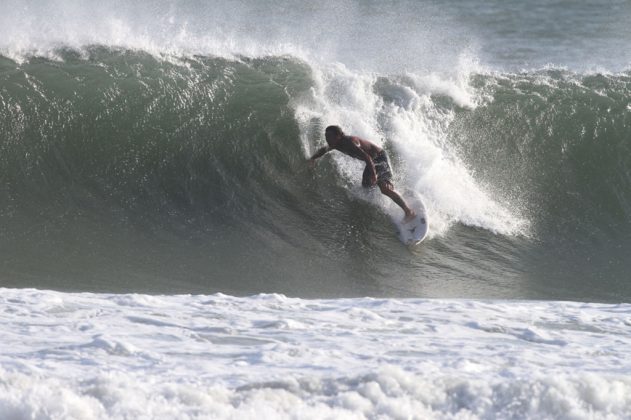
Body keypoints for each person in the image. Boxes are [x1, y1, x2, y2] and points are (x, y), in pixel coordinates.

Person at [308, 125, 415, 222]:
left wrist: (374, 175)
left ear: (339, 136)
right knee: (366, 186)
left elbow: (367, 157)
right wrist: (313, 158)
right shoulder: (336, 144)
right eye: (326, 136)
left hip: (379, 158)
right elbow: (325, 149)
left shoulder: (350, 142)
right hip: (372, 162)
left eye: (329, 136)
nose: (327, 139)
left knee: (383, 188)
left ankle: (408, 211)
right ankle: (388, 186)